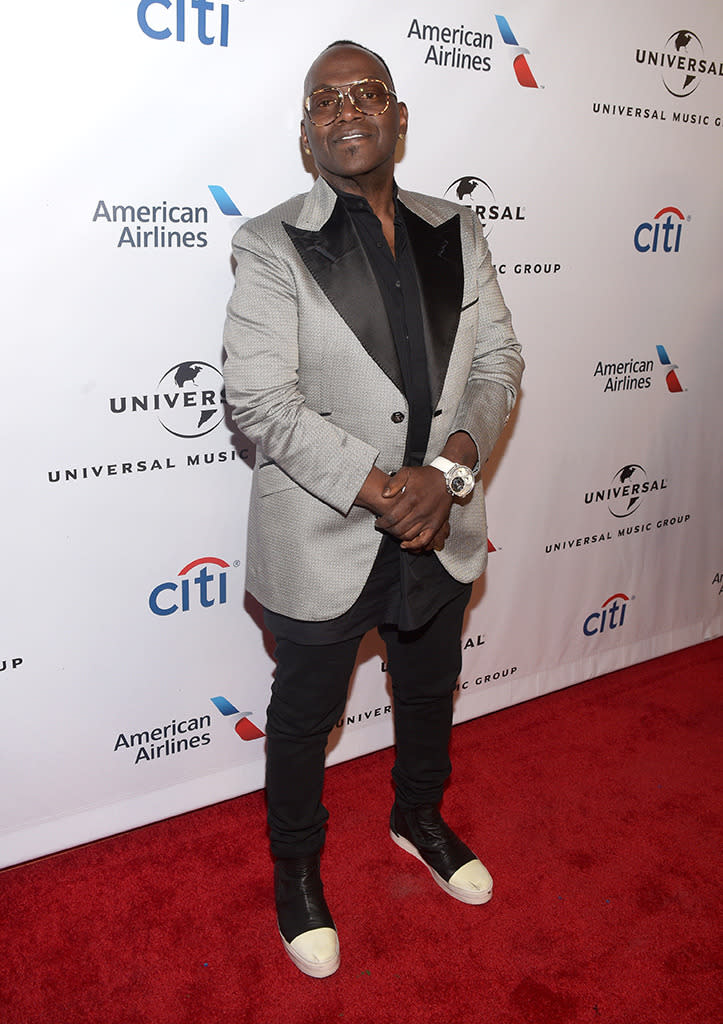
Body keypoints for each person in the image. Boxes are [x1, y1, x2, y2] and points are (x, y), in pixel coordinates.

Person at [223, 39, 523, 978]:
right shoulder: (268, 244)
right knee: (305, 716)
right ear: (307, 133)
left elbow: (499, 365)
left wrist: (451, 472)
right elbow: (260, 402)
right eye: (324, 99)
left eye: (366, 94)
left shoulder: (456, 229)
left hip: (444, 522)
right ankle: (297, 872)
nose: (345, 109)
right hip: (324, 529)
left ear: (397, 116)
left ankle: (418, 817)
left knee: (428, 690)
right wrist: (390, 493)